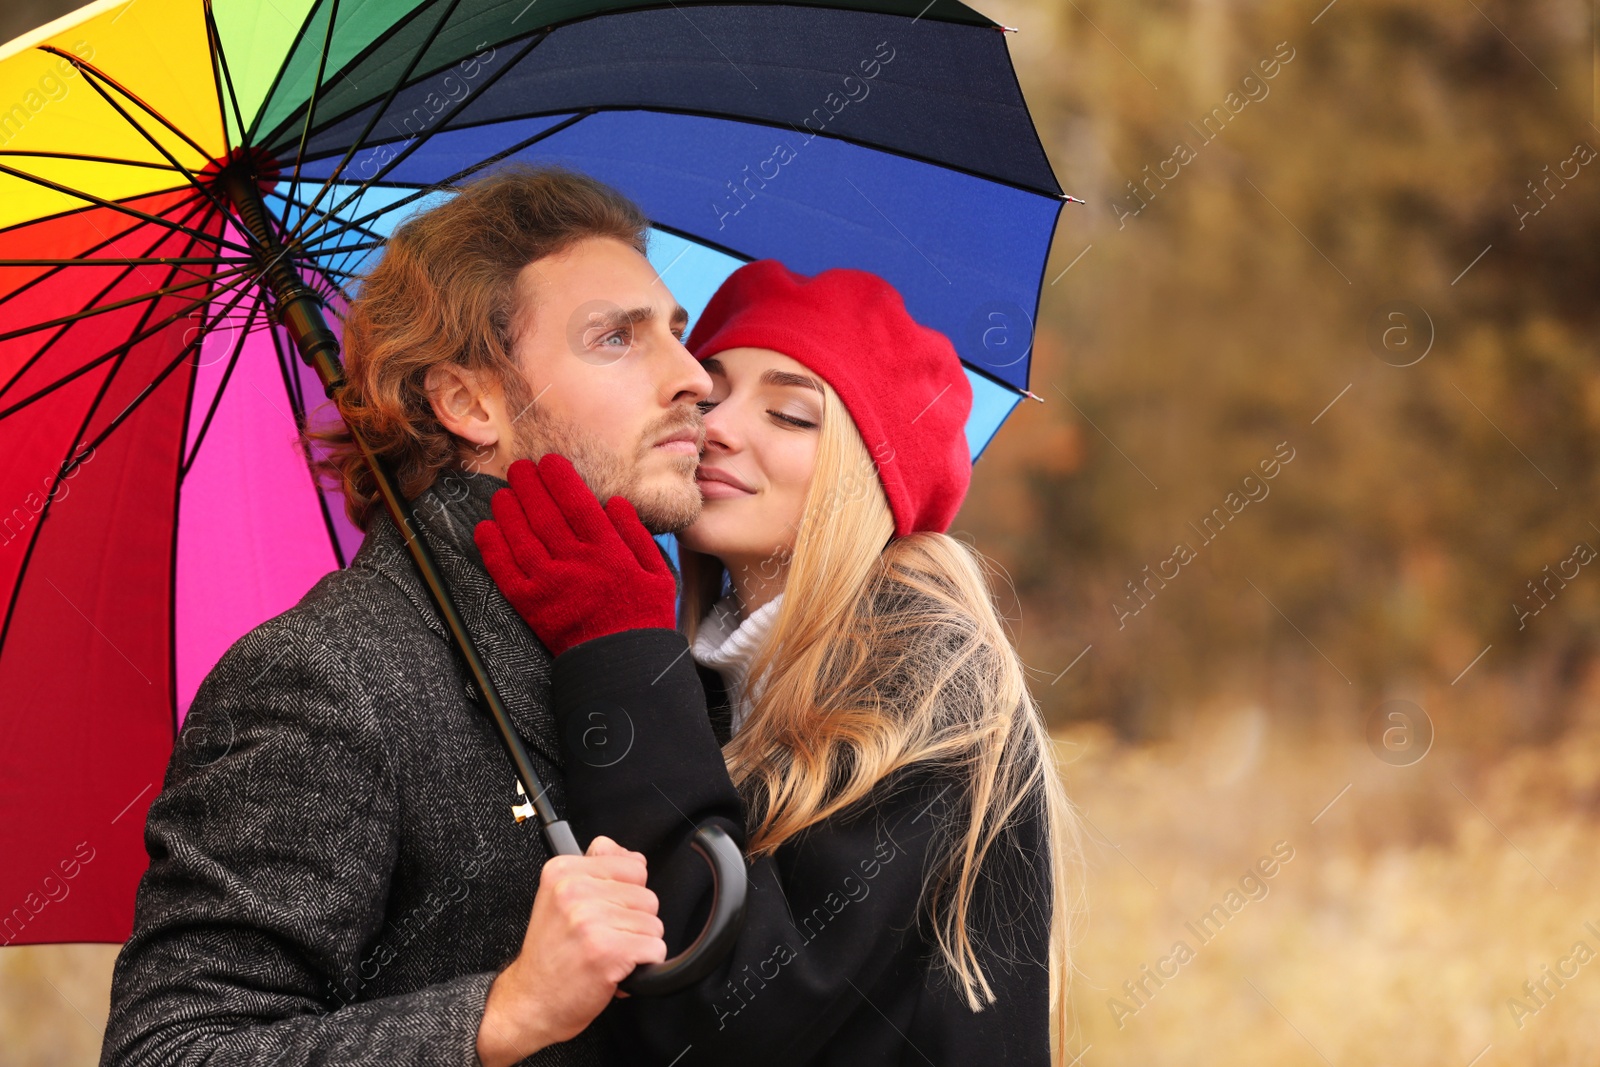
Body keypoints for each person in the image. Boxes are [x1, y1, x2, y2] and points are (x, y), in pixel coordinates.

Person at [99, 165, 717, 1066]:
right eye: (617, 339)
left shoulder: (655, 640)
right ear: (469, 402)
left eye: (675, 332)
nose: (693, 378)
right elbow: (169, 1049)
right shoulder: (324, 675)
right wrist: (500, 1013)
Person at [474, 259, 1084, 1065]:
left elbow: (732, 1008)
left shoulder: (927, 700)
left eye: (792, 415)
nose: (719, 428)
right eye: (710, 391)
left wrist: (616, 649)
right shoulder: (720, 679)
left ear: (869, 478)